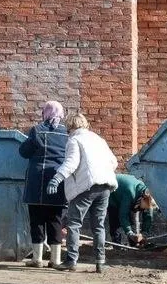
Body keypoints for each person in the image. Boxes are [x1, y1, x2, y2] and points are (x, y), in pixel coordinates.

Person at [47, 112, 118, 273]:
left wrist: (57, 178)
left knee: (74, 224)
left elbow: (71, 163)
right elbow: (113, 162)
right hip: (105, 186)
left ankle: (71, 260)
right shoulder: (99, 139)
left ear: (70, 126)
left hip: (86, 187)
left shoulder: (74, 140)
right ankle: (100, 262)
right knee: (98, 226)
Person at [19, 100, 69, 268]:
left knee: (37, 219)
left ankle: (37, 258)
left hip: (37, 180)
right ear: (61, 114)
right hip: (58, 179)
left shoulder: (37, 130)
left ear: (45, 113)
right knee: (56, 219)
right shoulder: (67, 133)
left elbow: (24, 152)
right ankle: (56, 259)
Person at [108, 173, 157, 246]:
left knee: (132, 220)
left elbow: (148, 215)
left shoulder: (148, 197)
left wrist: (144, 234)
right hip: (113, 193)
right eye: (141, 208)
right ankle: (116, 244)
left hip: (127, 192)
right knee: (115, 219)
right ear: (141, 199)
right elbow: (123, 215)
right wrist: (129, 233)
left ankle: (135, 243)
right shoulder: (130, 192)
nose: (140, 210)